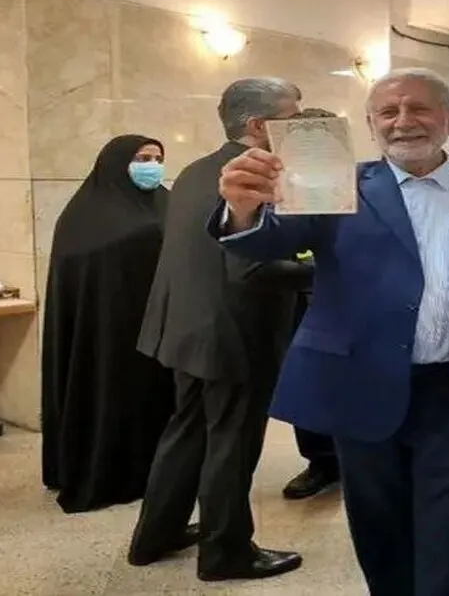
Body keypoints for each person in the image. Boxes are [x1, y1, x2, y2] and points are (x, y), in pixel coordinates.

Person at [212, 67, 449, 596]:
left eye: (419, 108)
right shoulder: (334, 186)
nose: (403, 121)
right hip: (362, 392)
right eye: (388, 112)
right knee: (382, 541)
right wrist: (241, 207)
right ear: (371, 125)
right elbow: (265, 241)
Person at [127, 78, 306, 582]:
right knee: (232, 442)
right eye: (293, 118)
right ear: (259, 125)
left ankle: (156, 534)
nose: (301, 126)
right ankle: (227, 552)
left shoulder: (195, 169)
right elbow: (253, 268)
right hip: (235, 331)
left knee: (185, 432)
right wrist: (327, 269)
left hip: (185, 325)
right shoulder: (256, 178)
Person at [41, 134, 175, 514]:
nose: (152, 166)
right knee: (110, 391)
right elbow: (82, 275)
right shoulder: (85, 215)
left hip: (159, 325)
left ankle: (161, 471)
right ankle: (110, 472)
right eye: (142, 159)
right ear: (116, 164)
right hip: (105, 331)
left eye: (157, 158)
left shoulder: (167, 202)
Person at [276, 107, 340, 501]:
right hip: (294, 302)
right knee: (309, 386)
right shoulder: (278, 185)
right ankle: (321, 461)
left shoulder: (357, 186)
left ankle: (351, 457)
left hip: (344, 302)